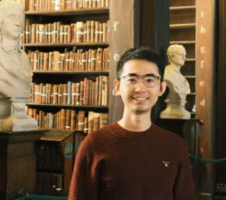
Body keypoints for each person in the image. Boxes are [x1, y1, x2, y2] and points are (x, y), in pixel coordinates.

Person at [69, 48, 196, 200]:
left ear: (161, 88)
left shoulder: (175, 146)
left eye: (149, 80)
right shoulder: (94, 144)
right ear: (117, 87)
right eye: (132, 79)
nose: (140, 88)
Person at [160, 44, 191, 119]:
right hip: (171, 112)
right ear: (172, 56)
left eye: (185, 55)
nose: (184, 58)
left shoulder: (182, 77)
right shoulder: (168, 74)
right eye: (181, 55)